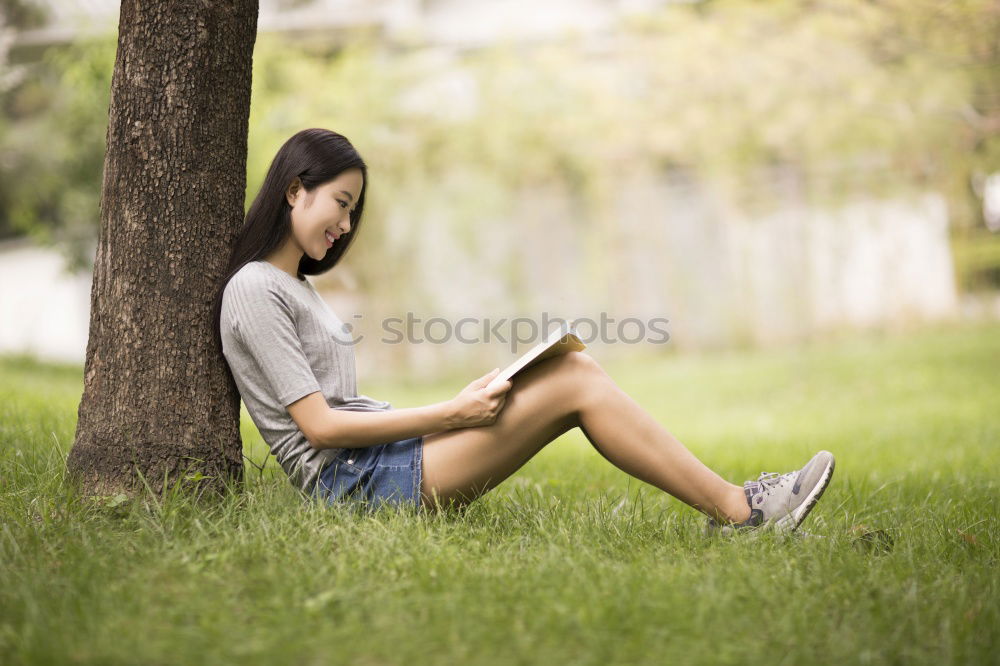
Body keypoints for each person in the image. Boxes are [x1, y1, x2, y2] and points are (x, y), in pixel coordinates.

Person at [212, 128, 835, 535]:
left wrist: (461, 404)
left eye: (353, 210)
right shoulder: (253, 289)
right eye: (341, 203)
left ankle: (733, 507)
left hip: (378, 463)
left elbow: (344, 412)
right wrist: (450, 415)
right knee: (577, 381)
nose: (346, 225)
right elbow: (320, 428)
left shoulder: (296, 287)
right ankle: (741, 511)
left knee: (565, 372)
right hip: (353, 486)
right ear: (295, 190)